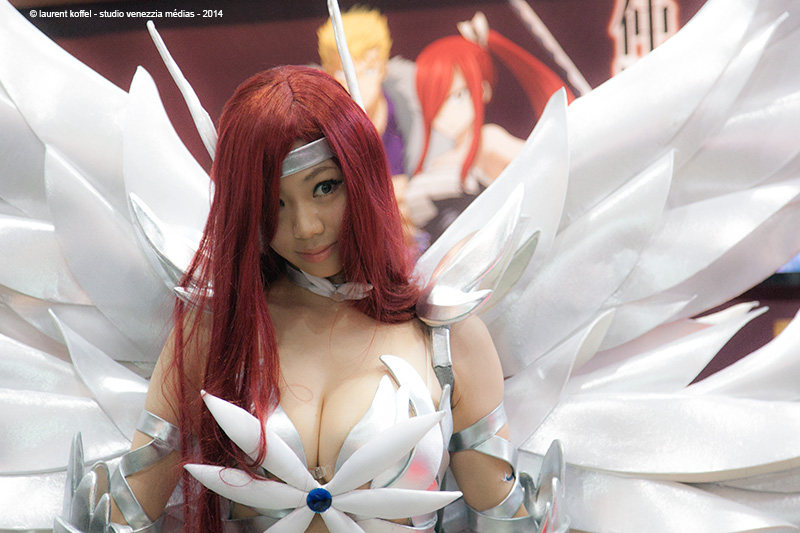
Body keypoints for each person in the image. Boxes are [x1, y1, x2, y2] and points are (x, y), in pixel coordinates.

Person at [99, 66, 533, 532]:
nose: (306, 227)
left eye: (324, 187)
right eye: (274, 202)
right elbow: (123, 516)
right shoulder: (214, 331)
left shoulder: (446, 338)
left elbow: (508, 521)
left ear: (361, 177)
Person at [404, 13, 574, 245]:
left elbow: (556, 163)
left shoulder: (489, 141)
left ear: (483, 90)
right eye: (435, 101)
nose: (445, 112)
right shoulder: (439, 162)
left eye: (458, 96)